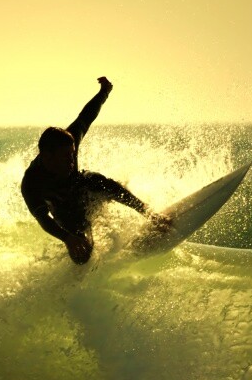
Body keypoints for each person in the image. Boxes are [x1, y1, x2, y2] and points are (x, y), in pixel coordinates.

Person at [21, 76, 168, 264]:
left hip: (82, 187)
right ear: (48, 156)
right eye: (65, 157)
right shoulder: (31, 182)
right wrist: (68, 239)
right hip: (65, 210)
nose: (71, 161)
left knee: (97, 180)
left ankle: (150, 214)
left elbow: (86, 116)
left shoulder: (68, 139)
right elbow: (43, 218)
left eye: (72, 155)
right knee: (82, 253)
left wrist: (104, 92)